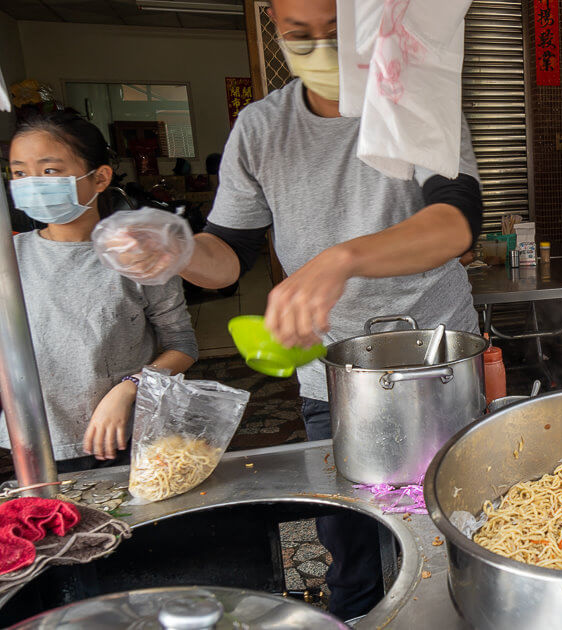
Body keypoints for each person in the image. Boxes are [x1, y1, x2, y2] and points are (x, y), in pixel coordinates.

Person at [94, 0, 483, 619]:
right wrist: (178, 248)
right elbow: (230, 255)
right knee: (350, 535)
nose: (320, 49)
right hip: (330, 372)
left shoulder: (413, 100)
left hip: (432, 362)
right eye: (300, 35)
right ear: (274, 25)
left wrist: (340, 259)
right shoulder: (261, 128)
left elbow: (455, 223)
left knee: (451, 524)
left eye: (336, 31)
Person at [0, 110, 197, 473]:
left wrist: (129, 388)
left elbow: (182, 345)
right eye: (19, 173)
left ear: (100, 177)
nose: (31, 183)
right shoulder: (8, 259)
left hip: (131, 434)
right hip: (38, 441)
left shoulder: (140, 253)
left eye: (49, 170)